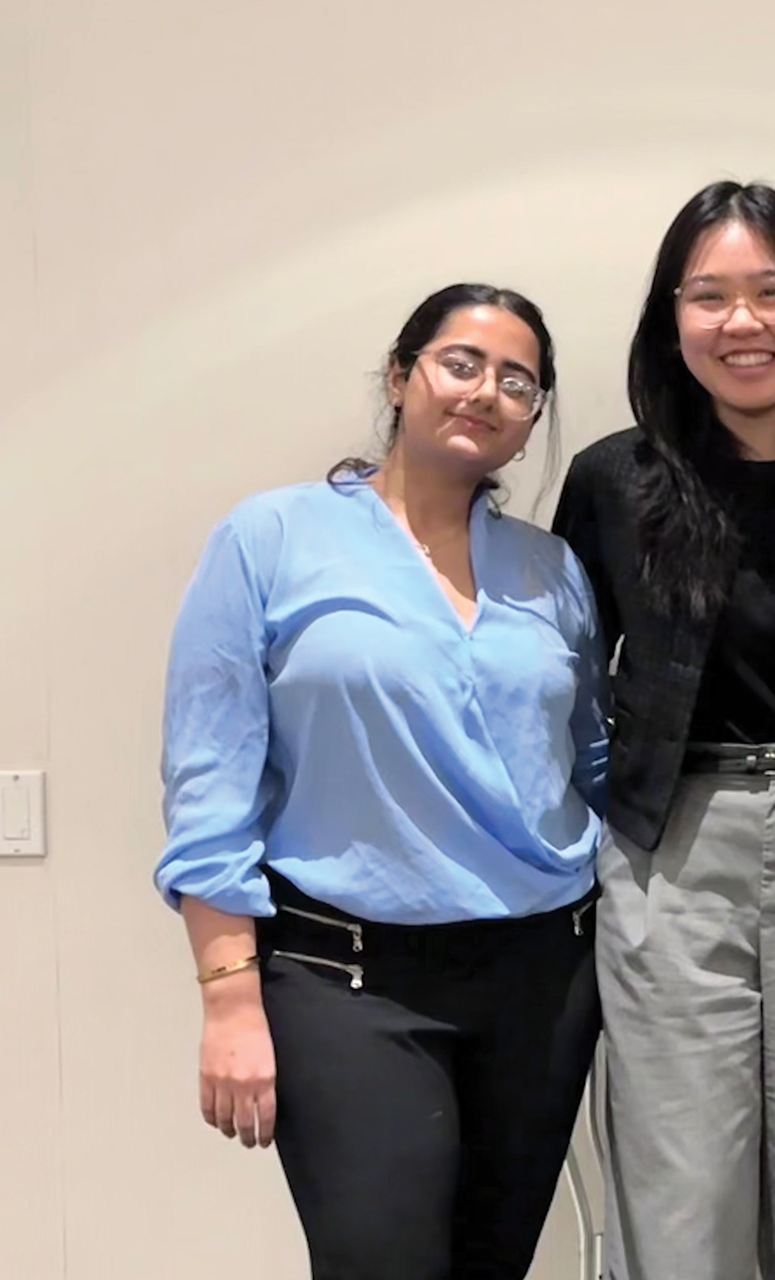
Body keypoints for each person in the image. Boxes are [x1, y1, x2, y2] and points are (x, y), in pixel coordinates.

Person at [155, 283, 609, 1280]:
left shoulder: (552, 570)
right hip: (347, 980)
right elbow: (208, 780)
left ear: (532, 417)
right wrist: (228, 996)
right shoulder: (268, 540)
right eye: (461, 362)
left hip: (545, 979)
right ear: (402, 376)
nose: (486, 391)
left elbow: (593, 759)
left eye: (518, 380)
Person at [550, 180, 775, 1280]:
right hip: (670, 851)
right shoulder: (613, 480)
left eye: (769, 291)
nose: (741, 322)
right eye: (708, 296)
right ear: (671, 319)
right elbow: (557, 681)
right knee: (680, 1193)